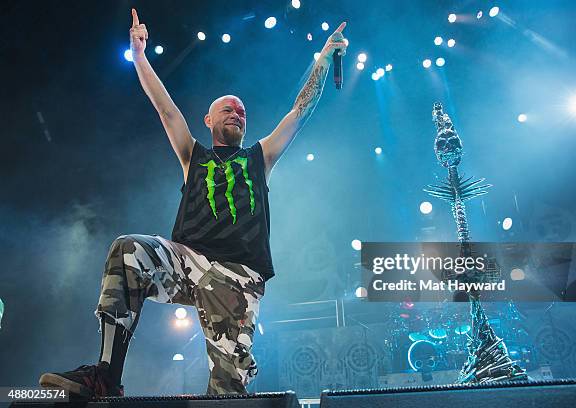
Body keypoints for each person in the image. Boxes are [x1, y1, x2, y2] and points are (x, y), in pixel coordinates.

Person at [39, 8, 348, 398]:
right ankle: (106, 374)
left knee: (227, 392)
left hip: (237, 275)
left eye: (242, 111)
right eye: (228, 109)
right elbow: (166, 109)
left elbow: (300, 111)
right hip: (186, 262)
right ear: (208, 119)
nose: (237, 113)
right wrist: (139, 58)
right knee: (128, 250)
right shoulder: (192, 155)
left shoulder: (261, 156)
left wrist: (322, 58)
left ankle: (227, 387)